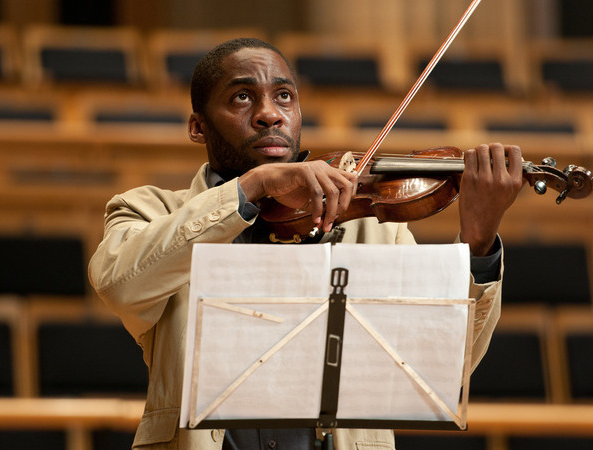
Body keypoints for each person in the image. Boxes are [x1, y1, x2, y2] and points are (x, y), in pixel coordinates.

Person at [88, 38, 523, 450]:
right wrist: (254, 184)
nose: (269, 115)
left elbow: (447, 364)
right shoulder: (150, 211)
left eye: (284, 97)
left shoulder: (372, 225)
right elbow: (120, 283)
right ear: (198, 127)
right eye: (242, 97)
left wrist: (479, 241)